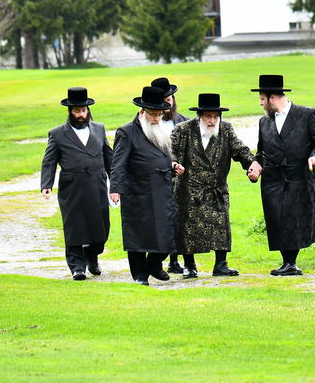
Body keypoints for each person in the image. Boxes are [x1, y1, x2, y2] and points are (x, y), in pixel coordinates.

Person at [172, 93, 257, 277]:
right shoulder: (183, 130)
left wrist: (252, 163)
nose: (212, 121)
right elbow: (171, 151)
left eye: (215, 116)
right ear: (199, 116)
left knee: (221, 226)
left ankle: (221, 265)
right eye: (208, 116)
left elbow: (239, 149)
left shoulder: (226, 129)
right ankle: (189, 265)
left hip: (216, 188)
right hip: (190, 189)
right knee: (188, 227)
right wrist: (174, 164)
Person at [251, 74, 315, 277]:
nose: (260, 103)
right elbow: (261, 152)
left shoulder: (307, 114)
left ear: (273, 97)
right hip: (273, 180)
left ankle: (291, 263)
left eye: (262, 99)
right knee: (277, 220)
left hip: (299, 177)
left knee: (295, 219)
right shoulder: (264, 122)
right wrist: (256, 166)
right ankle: (288, 263)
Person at [110, 84, 185, 285]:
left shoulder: (160, 130)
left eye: (159, 114)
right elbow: (118, 163)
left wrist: (173, 166)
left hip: (162, 191)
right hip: (137, 191)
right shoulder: (127, 132)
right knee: (137, 235)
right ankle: (140, 276)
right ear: (142, 111)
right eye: (152, 114)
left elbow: (161, 158)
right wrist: (115, 188)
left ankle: (153, 265)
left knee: (167, 233)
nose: (156, 118)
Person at [40, 86, 112, 281]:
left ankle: (92, 256)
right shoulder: (57, 134)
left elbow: (109, 157)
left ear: (88, 110)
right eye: (77, 111)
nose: (81, 115)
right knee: (74, 226)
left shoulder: (99, 129)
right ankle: (77, 267)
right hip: (72, 187)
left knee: (101, 227)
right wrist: (46, 184)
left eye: (83, 110)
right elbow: (49, 161)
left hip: (97, 184)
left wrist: (117, 182)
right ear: (70, 112)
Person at [149, 76, 190, 275]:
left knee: (182, 218)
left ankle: (180, 260)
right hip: (159, 178)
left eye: (169, 99)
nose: (167, 103)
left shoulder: (182, 121)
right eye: (164, 100)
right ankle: (163, 259)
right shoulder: (148, 123)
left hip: (182, 177)